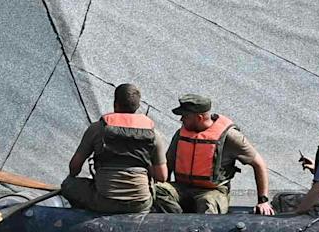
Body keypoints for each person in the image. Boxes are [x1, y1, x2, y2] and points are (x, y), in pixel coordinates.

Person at [62, 83, 166, 215]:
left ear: (115, 104)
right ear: (138, 106)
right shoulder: (154, 134)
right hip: (140, 204)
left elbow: (74, 167)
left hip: (105, 202)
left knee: (68, 184)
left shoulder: (97, 129)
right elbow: (162, 176)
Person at [159, 95, 272, 215]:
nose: (181, 119)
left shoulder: (230, 137)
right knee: (157, 191)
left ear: (199, 118)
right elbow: (168, 164)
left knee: (208, 203)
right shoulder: (181, 134)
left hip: (213, 191)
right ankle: (177, 222)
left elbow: (259, 164)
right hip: (182, 188)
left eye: (185, 116)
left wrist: (263, 200)